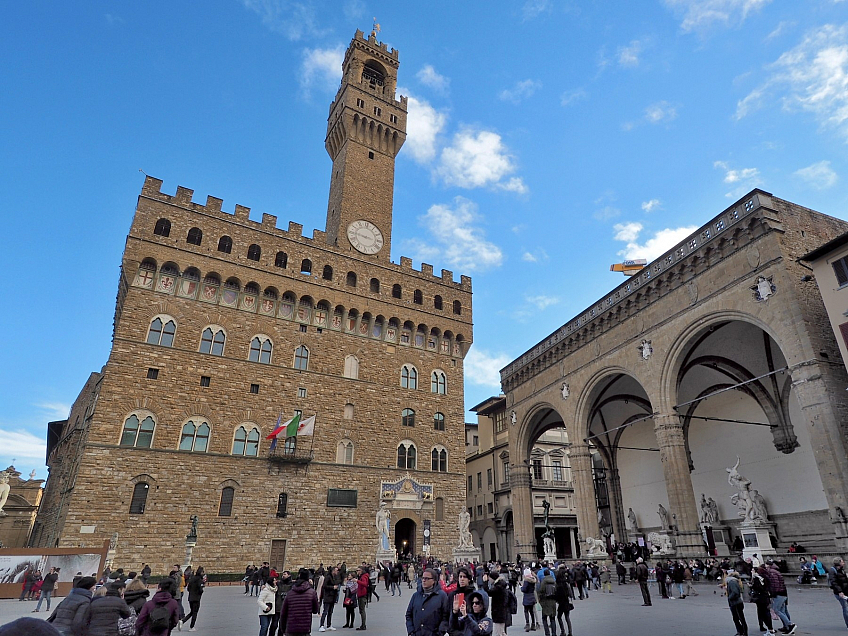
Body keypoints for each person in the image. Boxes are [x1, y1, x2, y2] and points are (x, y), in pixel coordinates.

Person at [405, 567, 449, 636]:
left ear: (434, 580)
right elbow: (408, 615)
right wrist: (411, 631)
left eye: (427, 578)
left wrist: (440, 632)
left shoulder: (442, 596)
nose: (424, 580)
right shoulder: (416, 595)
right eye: (423, 578)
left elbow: (446, 617)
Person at [280, 568, 319, 636]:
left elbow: (283, 613)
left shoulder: (290, 593)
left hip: (291, 628)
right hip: (305, 628)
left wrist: (283, 629)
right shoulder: (311, 592)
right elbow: (315, 610)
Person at [762, 560, 795, 634]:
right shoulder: (775, 571)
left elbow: (775, 584)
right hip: (782, 593)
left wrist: (773, 594)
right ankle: (787, 627)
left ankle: (790, 625)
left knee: (776, 610)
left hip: (779, 593)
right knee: (783, 610)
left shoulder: (772, 572)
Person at [750, 566, 775, 635]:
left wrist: (751, 586)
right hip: (765, 596)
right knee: (765, 612)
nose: (751, 571)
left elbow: (758, 587)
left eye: (752, 570)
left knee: (762, 612)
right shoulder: (765, 577)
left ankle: (768, 627)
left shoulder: (757, 578)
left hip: (760, 597)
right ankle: (768, 626)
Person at [486, 571, 512, 636]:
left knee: (498, 632)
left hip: (498, 611)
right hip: (502, 611)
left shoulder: (498, 587)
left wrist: (485, 583)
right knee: (502, 631)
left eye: (489, 578)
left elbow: (489, 592)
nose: (489, 579)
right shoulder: (501, 584)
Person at [180, 565, 205, 631]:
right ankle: (192, 626)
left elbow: (188, 588)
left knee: (192, 612)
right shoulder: (199, 580)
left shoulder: (192, 579)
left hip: (190, 598)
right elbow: (200, 590)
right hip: (196, 598)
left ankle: (183, 621)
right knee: (195, 613)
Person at [725, 571, 748, 636]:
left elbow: (735, 592)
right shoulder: (734, 581)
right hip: (736, 602)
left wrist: (730, 597)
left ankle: (743, 632)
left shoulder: (732, 582)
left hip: (736, 603)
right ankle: (740, 631)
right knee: (737, 618)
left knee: (739, 618)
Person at [828, 557, 848, 629]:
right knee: (846, 608)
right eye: (842, 562)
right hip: (840, 592)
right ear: (839, 563)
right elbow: (834, 582)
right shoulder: (832, 571)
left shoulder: (841, 570)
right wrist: (840, 591)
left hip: (846, 591)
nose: (844, 563)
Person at [319, 565, 341, 632]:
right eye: (336, 570)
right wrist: (332, 587)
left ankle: (329, 625)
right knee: (325, 611)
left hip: (333, 596)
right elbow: (324, 586)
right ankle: (321, 625)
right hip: (328, 596)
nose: (337, 572)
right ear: (333, 571)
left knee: (330, 612)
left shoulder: (335, 577)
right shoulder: (328, 577)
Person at [538, 567, 557, 636]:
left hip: (545, 601)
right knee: (552, 618)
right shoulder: (554, 581)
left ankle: (547, 633)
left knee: (544, 618)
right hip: (553, 601)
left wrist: (539, 599)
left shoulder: (543, 581)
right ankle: (554, 633)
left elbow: (541, 591)